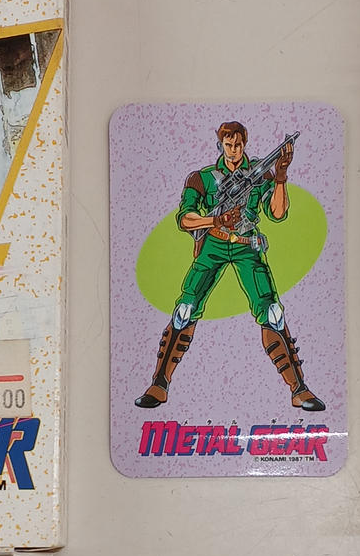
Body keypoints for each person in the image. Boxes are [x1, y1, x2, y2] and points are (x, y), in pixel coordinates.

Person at [134, 121, 324, 411]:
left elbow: (277, 213)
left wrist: (281, 177)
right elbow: (184, 219)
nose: (234, 150)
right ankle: (159, 384)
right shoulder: (202, 178)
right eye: (228, 145)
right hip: (214, 243)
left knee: (272, 313)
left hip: (247, 244)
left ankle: (299, 389)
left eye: (238, 145)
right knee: (185, 310)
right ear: (220, 145)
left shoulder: (260, 172)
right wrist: (215, 220)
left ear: (244, 144)